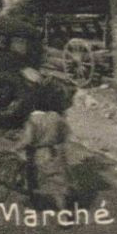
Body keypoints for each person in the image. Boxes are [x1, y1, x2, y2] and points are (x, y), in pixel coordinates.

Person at [17, 76, 72, 210]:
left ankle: (34, 203)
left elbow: (28, 140)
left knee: (32, 179)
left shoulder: (33, 120)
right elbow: (65, 134)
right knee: (58, 184)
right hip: (56, 153)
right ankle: (63, 214)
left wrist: (17, 147)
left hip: (38, 155)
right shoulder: (56, 118)